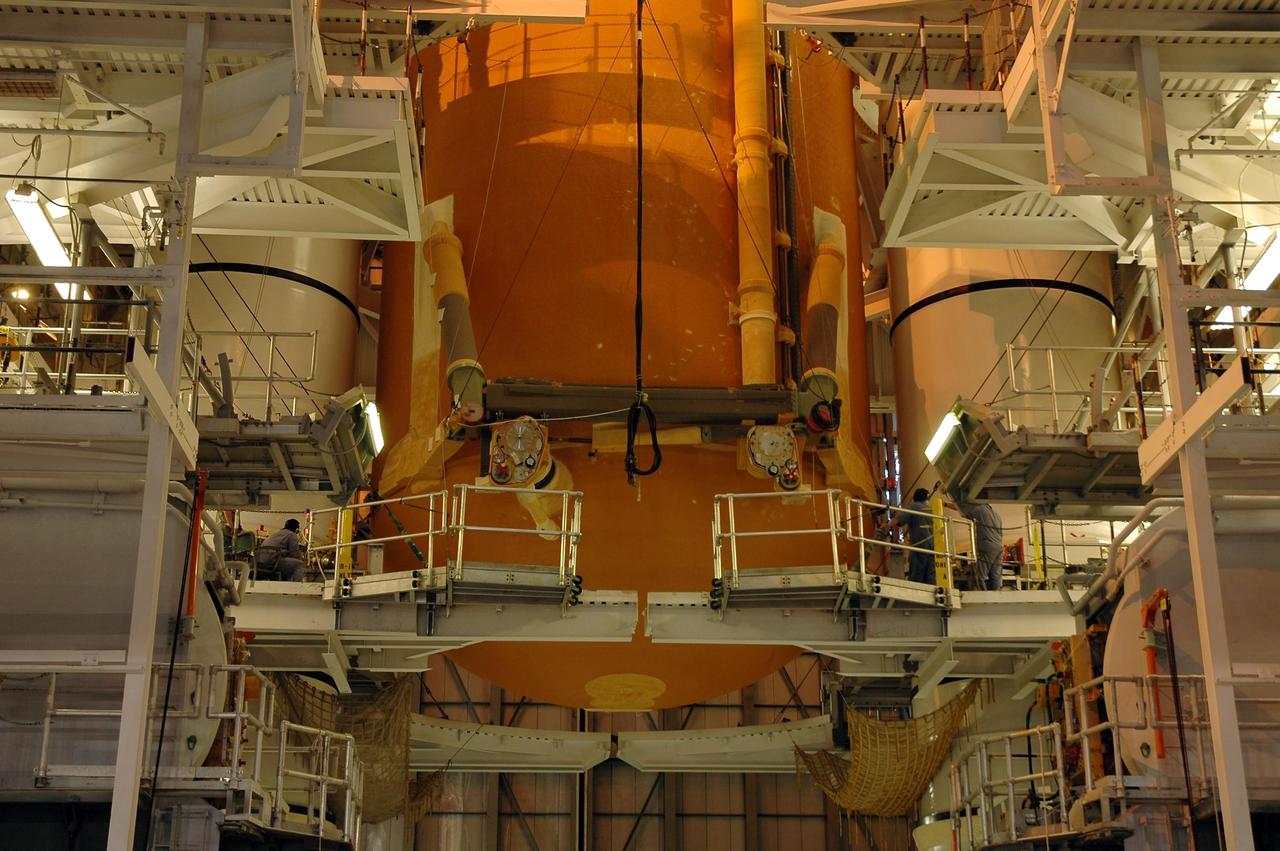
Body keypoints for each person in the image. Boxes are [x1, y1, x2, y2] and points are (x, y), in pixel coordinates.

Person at [893, 488, 936, 585]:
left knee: (917, 579)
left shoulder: (914, 507)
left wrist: (887, 526)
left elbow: (899, 520)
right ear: (926, 498)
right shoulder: (930, 510)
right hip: (931, 549)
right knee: (930, 578)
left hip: (919, 549)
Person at [961, 503, 1004, 590]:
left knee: (980, 575)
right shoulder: (997, 516)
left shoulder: (979, 509)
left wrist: (946, 504)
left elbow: (963, 512)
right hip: (999, 547)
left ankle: (982, 595)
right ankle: (996, 598)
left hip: (988, 546)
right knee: (995, 576)